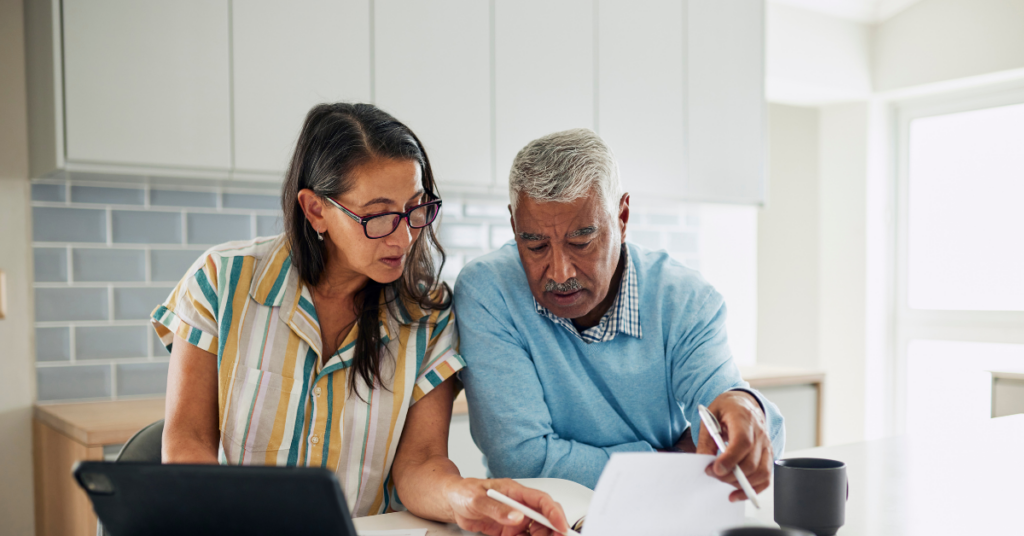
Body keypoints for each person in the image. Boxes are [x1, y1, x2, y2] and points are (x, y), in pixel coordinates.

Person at [153, 103, 569, 536]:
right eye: (379, 215)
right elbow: (187, 444)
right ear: (315, 210)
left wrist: (467, 497)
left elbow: (420, 463)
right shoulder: (222, 281)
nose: (404, 235)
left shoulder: (428, 316)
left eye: (415, 208)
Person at [454, 128, 786, 498]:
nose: (560, 272)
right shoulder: (489, 291)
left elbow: (727, 410)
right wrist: (671, 459)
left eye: (581, 242)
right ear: (514, 226)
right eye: (535, 246)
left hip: (663, 517)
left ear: (623, 217)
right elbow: (523, 463)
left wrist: (744, 407)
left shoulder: (685, 299)